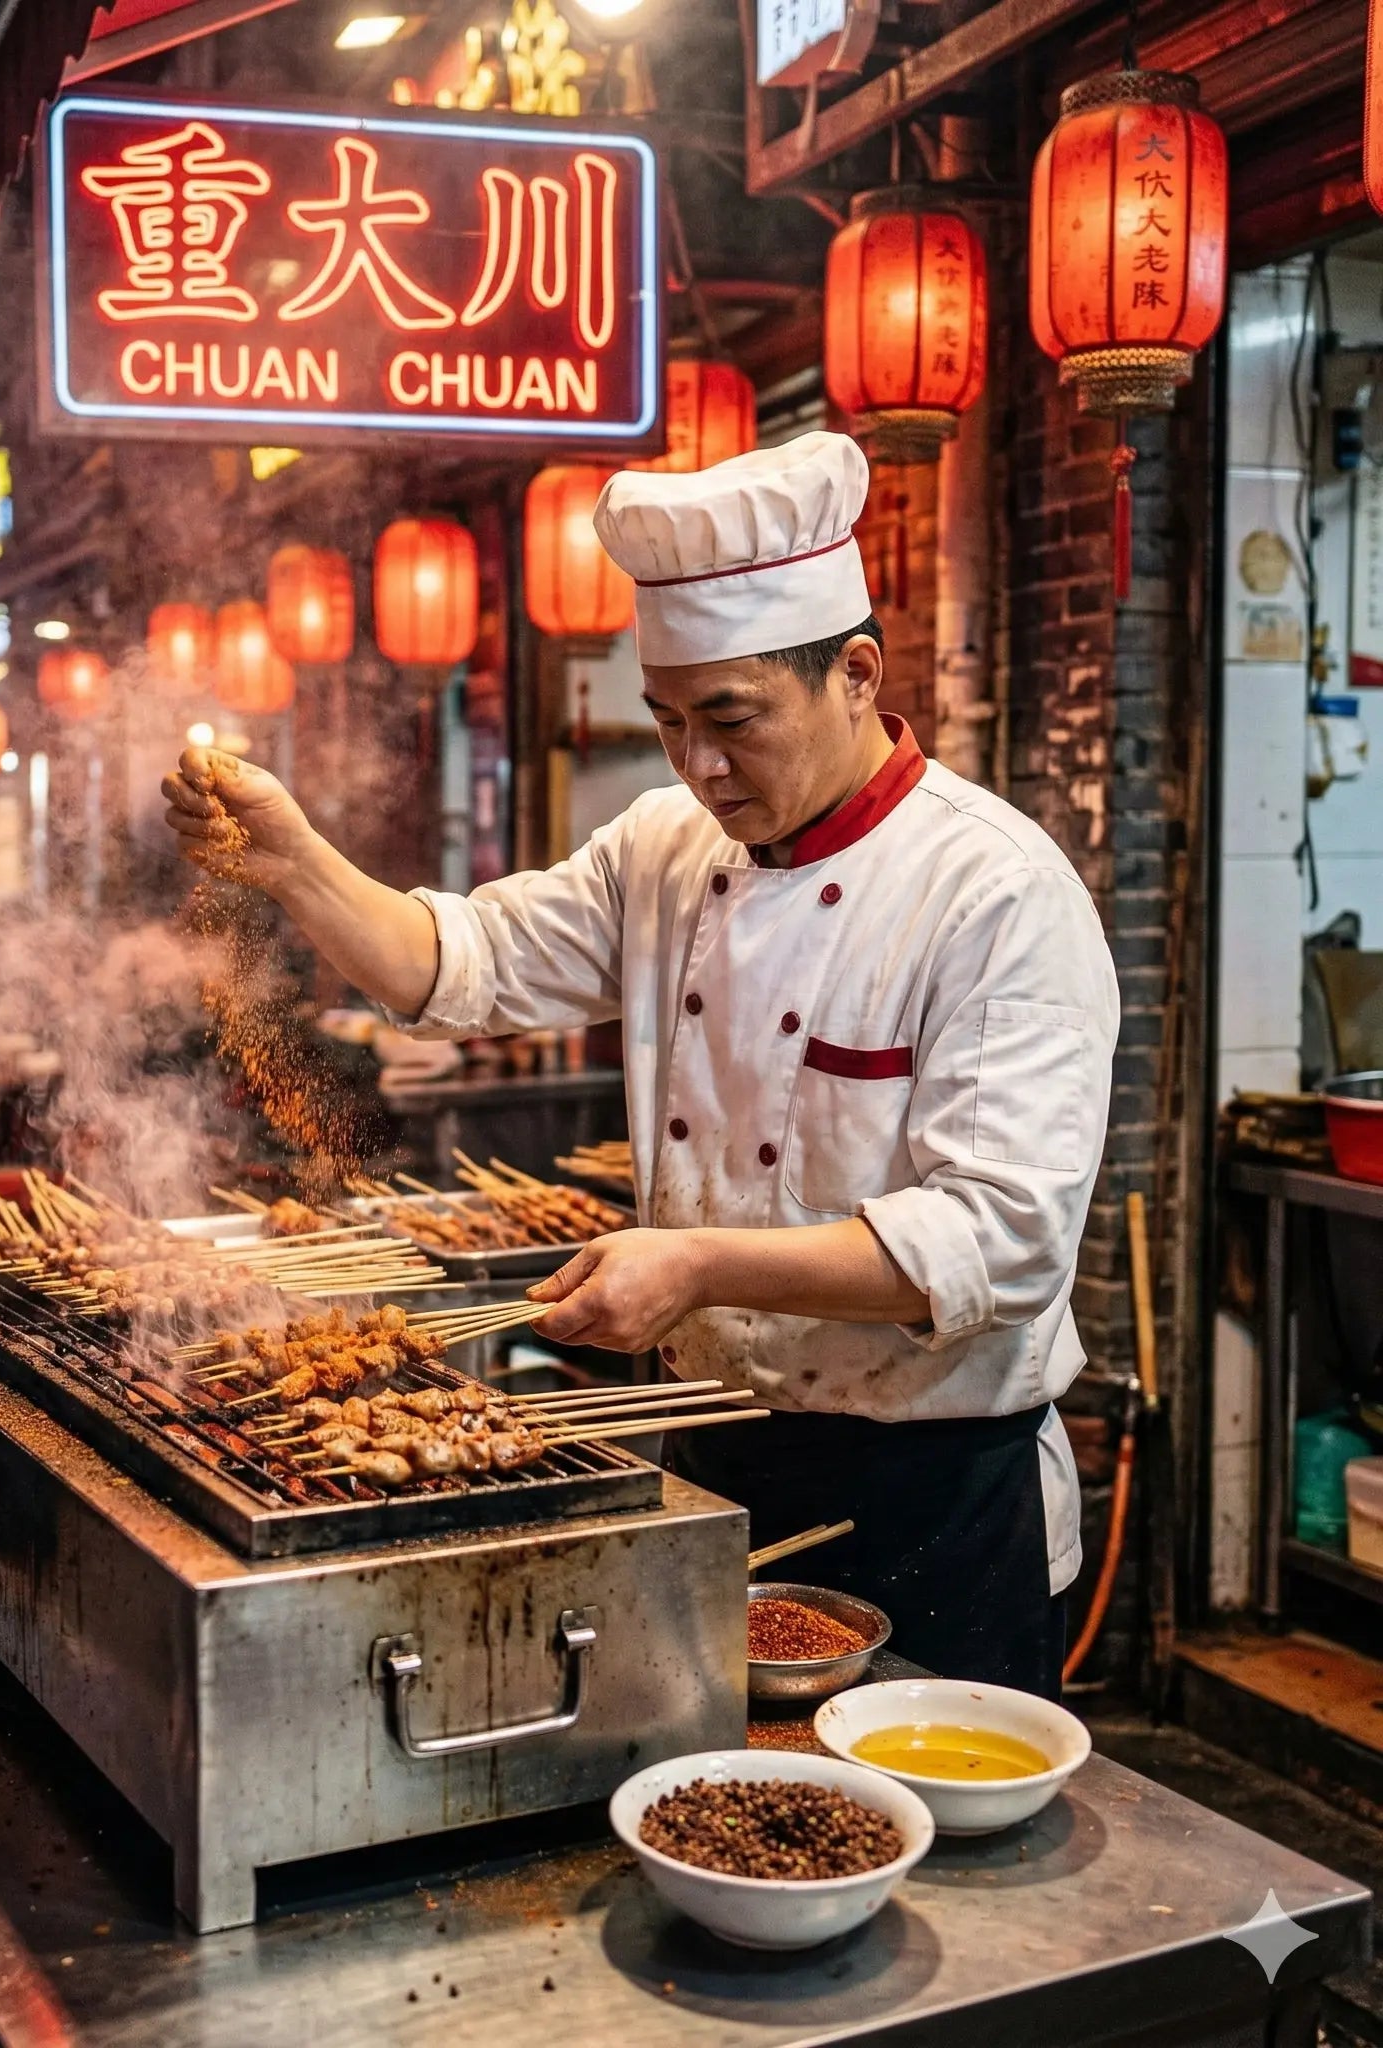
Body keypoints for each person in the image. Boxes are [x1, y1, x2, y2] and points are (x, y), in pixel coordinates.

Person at [162, 432, 1119, 1700]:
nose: (698, 765)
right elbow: (457, 962)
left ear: (853, 673)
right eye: (668, 722)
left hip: (929, 1492)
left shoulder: (993, 892)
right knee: (702, 1794)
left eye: (731, 719)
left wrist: (696, 1262)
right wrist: (292, 862)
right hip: (707, 1451)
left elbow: (999, 1242)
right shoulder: (665, 845)